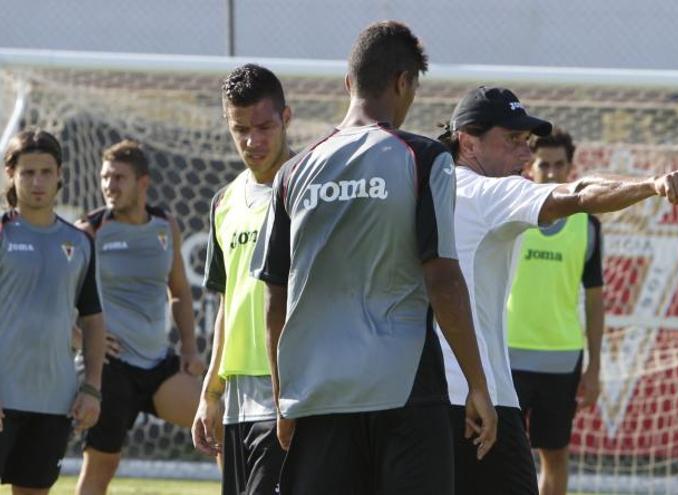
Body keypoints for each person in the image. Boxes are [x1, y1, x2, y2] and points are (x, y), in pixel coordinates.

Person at [253, 21, 496, 495]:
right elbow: (443, 280)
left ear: (349, 83)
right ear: (403, 82)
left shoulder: (293, 173)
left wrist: (284, 397)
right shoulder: (424, 158)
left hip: (318, 397)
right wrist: (477, 384)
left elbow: (274, 299)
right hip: (403, 393)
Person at [436, 86, 678, 495]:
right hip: (480, 398)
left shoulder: (426, 187)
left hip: (424, 396)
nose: (525, 155)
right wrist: (652, 185)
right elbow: (579, 194)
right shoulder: (487, 192)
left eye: (526, 142)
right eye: (512, 140)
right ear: (468, 140)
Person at [73, 139, 205, 495]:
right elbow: (59, 296)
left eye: (118, 178)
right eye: (105, 177)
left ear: (142, 182)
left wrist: (190, 349)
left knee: (217, 425)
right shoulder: (90, 230)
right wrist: (79, 339)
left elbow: (178, 291)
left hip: (157, 364)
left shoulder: (166, 225)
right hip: (111, 367)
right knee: (103, 464)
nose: (109, 186)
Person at [191, 64, 292, 495]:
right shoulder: (225, 202)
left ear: (287, 118)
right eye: (241, 129)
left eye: (265, 126)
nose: (253, 141)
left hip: (291, 394)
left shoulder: (310, 190)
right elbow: (226, 305)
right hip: (237, 401)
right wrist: (210, 392)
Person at [0, 128, 106, 494]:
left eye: (46, 171)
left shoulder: (78, 242)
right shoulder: (2, 232)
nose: (37, 181)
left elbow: (92, 320)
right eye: (27, 172)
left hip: (52, 401)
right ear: (10, 175)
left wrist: (92, 387)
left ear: (60, 174)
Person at [506, 128, 604, 495]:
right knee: (497, 455)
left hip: (561, 361)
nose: (550, 173)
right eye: (543, 165)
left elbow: (595, 300)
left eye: (558, 165)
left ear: (570, 169)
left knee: (555, 456)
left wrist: (594, 366)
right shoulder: (511, 217)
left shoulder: (588, 225)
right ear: (529, 167)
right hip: (507, 357)